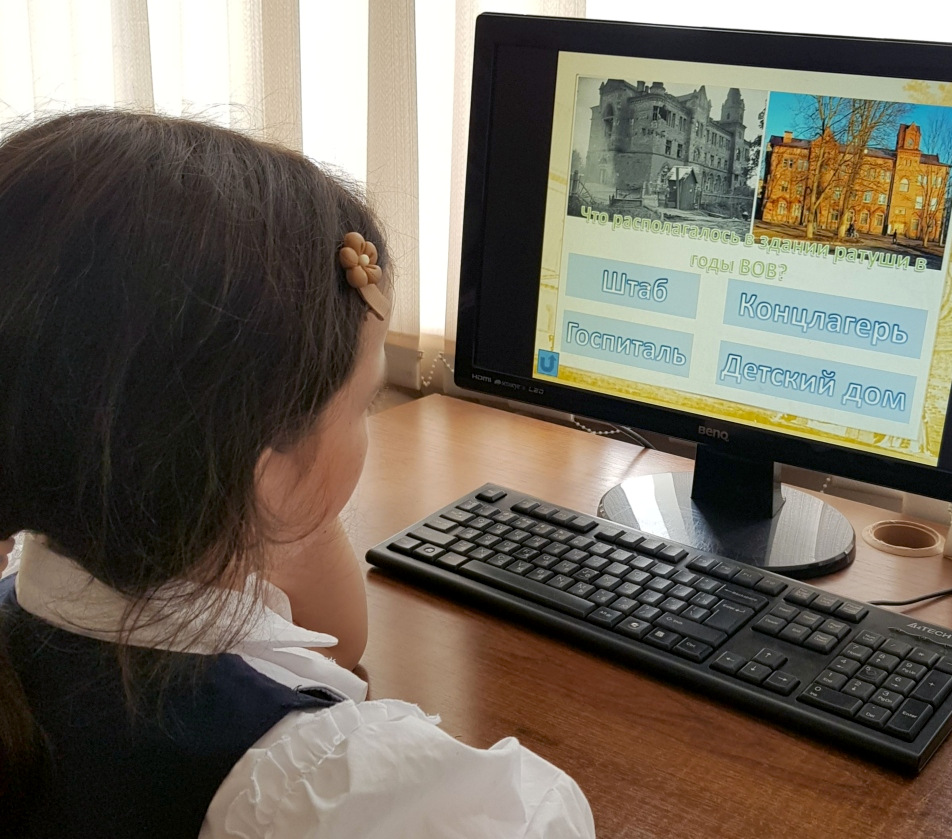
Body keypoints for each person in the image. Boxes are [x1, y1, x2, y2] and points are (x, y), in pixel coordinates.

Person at [0, 111, 594, 839]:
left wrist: (282, 495)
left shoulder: (34, 606)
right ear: (268, 473)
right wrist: (288, 503)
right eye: (364, 402)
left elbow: (329, 644)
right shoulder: (303, 788)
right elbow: (550, 819)